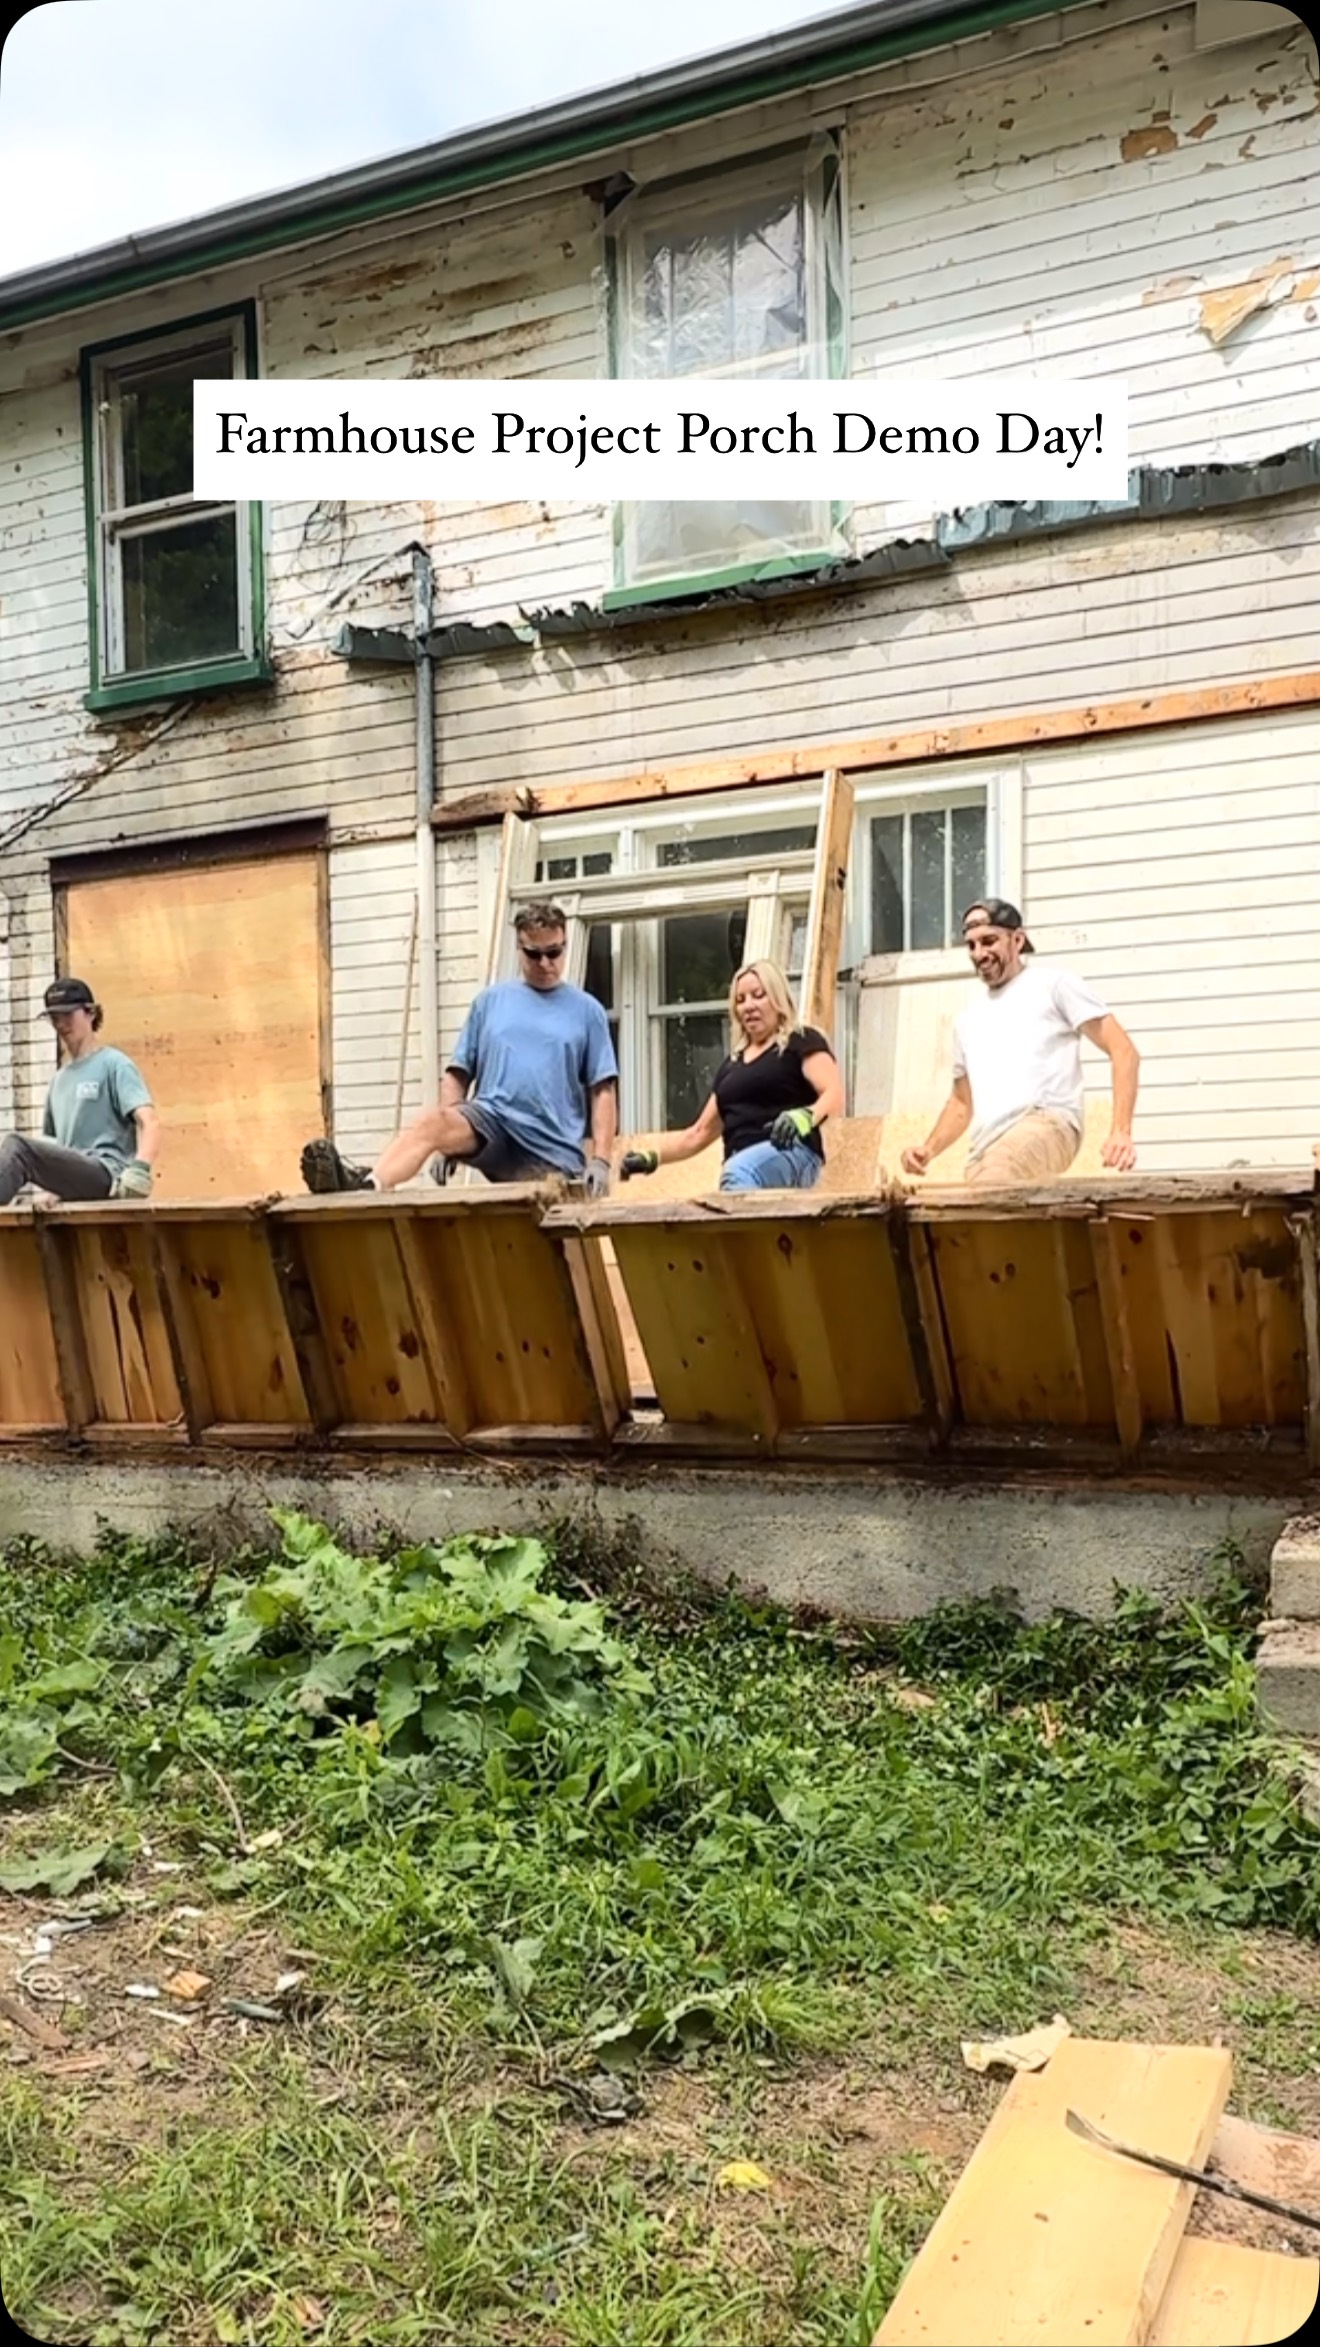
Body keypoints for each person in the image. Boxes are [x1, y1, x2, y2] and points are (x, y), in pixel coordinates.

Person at [301, 899, 618, 1195]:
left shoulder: (586, 1011)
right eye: (535, 954)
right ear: (519, 948)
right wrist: (447, 1143)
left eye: (554, 952)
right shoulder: (490, 1003)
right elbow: (458, 1075)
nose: (546, 963)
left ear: (565, 944)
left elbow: (602, 1090)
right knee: (432, 1123)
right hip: (494, 1122)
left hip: (551, 1147)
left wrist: (601, 1160)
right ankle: (367, 1186)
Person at [900, 898, 1139, 1186]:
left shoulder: (1054, 985)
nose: (979, 953)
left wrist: (1120, 1131)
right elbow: (961, 1103)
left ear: (1017, 940)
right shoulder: (967, 1022)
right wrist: (928, 1149)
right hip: (987, 1145)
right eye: (971, 945)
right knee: (978, 1199)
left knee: (995, 1180)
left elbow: (1123, 1050)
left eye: (989, 941)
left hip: (1045, 1122)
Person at [619, 959, 844, 1193]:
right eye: (740, 1000)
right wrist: (653, 1157)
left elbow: (834, 1094)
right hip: (741, 1164)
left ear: (778, 999)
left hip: (791, 1153)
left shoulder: (800, 1040)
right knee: (733, 1180)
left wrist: (806, 1116)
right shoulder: (731, 1066)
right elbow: (698, 1133)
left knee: (737, 1175)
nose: (749, 1006)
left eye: (759, 995)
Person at [0, 976, 158, 1206]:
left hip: (108, 1174)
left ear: (90, 1013)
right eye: (55, 1017)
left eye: (68, 1015)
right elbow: (55, 1146)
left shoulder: (115, 1064)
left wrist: (140, 1168)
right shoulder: (59, 1080)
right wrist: (57, 1189)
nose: (61, 1024)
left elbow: (150, 1122)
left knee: (17, 1148)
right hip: (80, 1180)